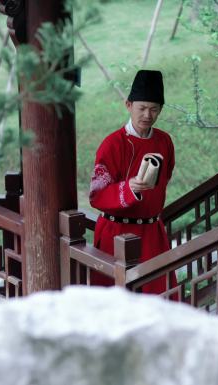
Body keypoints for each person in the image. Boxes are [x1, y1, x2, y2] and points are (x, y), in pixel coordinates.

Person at [88, 70, 175, 294]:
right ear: (129, 105)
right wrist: (128, 188)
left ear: (160, 110)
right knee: (115, 303)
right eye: (142, 108)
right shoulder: (112, 144)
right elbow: (96, 195)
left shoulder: (164, 141)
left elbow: (165, 178)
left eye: (154, 109)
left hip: (152, 233)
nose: (148, 114)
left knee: (157, 301)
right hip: (116, 234)